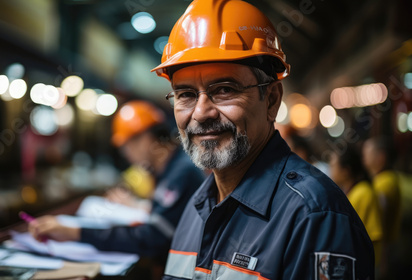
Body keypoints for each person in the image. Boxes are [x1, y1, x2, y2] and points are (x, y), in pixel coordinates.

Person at [150, 0, 375, 279]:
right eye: (185, 94)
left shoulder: (314, 217)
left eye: (224, 90)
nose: (201, 113)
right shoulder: (198, 207)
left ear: (271, 101)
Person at [29, 101, 205, 269]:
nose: (126, 155)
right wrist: (140, 206)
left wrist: (75, 232)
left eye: (125, 147)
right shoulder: (169, 169)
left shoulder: (181, 172)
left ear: (144, 139)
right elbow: (171, 218)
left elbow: (152, 238)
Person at [329, 146, 383, 266]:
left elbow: (366, 237)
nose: (330, 169)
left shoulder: (363, 193)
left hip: (365, 263)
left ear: (345, 171)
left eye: (333, 165)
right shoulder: (351, 192)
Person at [362, 136, 402, 278]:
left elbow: (381, 219)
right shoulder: (384, 180)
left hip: (383, 254)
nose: (364, 158)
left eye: (367, 153)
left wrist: (383, 261)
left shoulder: (385, 183)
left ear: (381, 157)